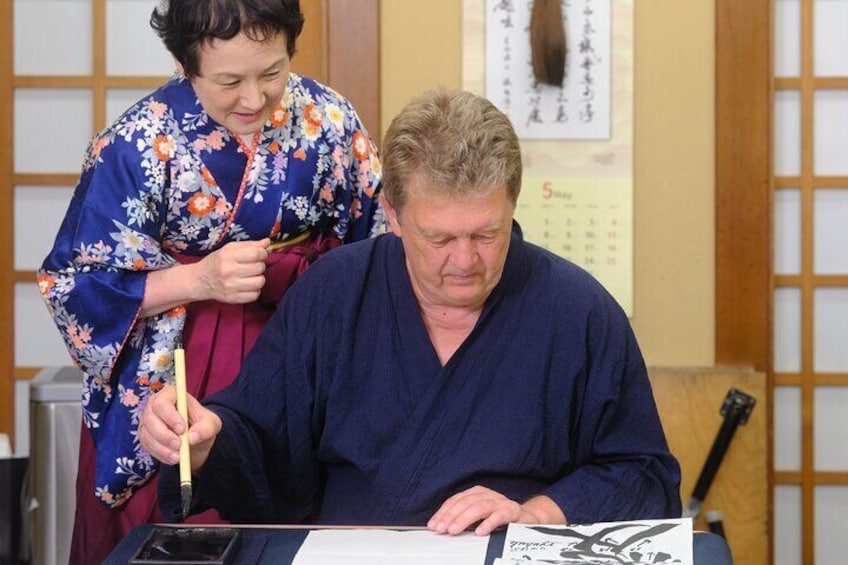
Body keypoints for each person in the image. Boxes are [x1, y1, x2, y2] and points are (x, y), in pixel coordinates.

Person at [140, 88, 681, 536]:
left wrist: (534, 513)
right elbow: (263, 444)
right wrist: (206, 440)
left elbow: (644, 476)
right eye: (440, 237)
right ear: (394, 216)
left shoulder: (579, 311)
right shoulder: (335, 294)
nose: (466, 261)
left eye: (487, 234)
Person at [37, 0, 384, 562]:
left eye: (272, 73)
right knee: (181, 521)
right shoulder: (135, 143)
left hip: (303, 352)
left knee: (307, 513)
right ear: (183, 61)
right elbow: (72, 287)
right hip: (177, 366)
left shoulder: (330, 120)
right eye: (229, 81)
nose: (254, 99)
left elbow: (378, 245)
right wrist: (198, 279)